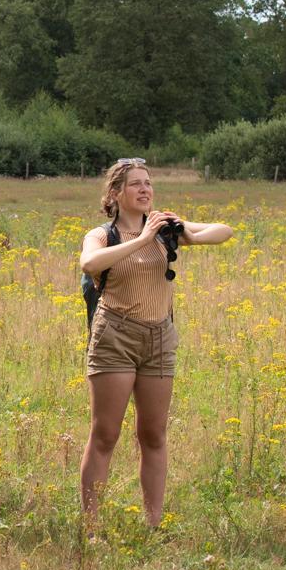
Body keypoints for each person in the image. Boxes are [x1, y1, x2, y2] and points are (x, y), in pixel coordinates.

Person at [79, 157, 232, 527]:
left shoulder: (164, 228)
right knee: (105, 433)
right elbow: (90, 263)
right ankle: (92, 525)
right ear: (116, 194)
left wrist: (189, 234)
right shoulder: (103, 234)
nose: (145, 189)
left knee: (153, 434)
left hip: (160, 336)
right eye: (135, 184)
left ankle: (153, 524)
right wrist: (144, 239)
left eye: (148, 183)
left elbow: (224, 230)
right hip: (116, 334)